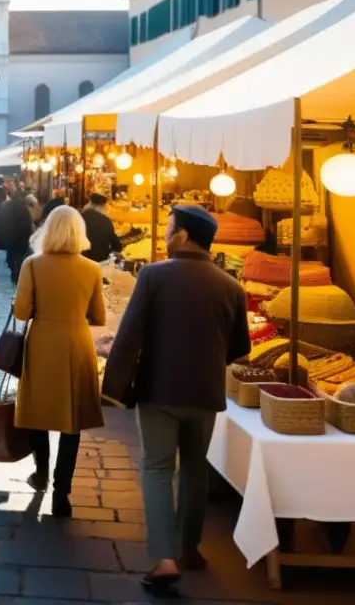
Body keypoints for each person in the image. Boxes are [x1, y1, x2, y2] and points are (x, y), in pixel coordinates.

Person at [102, 205, 250, 594]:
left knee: (156, 468)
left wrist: (112, 389)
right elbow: (239, 348)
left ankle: (165, 558)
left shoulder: (153, 275)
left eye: (169, 228)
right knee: (196, 469)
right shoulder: (231, 286)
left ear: (183, 235)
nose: (166, 234)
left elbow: (129, 335)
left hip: (159, 390)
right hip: (205, 393)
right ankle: (190, 549)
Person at [14, 206, 106, 517]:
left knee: (38, 411)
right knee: (73, 419)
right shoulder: (92, 268)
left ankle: (41, 472)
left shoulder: (32, 265)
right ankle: (62, 491)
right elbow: (99, 316)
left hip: (41, 341)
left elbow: (21, 313)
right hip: (76, 342)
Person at [0, 180, 34, 285]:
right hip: (22, 237)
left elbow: (1, 222)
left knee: (12, 257)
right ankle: (18, 275)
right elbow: (28, 224)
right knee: (20, 257)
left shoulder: (6, 206)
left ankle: (14, 274)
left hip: (11, 237)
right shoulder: (23, 207)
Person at [81, 193, 123, 263]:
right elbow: (116, 245)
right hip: (100, 262)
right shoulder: (106, 221)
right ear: (103, 206)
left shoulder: (79, 217)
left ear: (90, 203)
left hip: (82, 260)